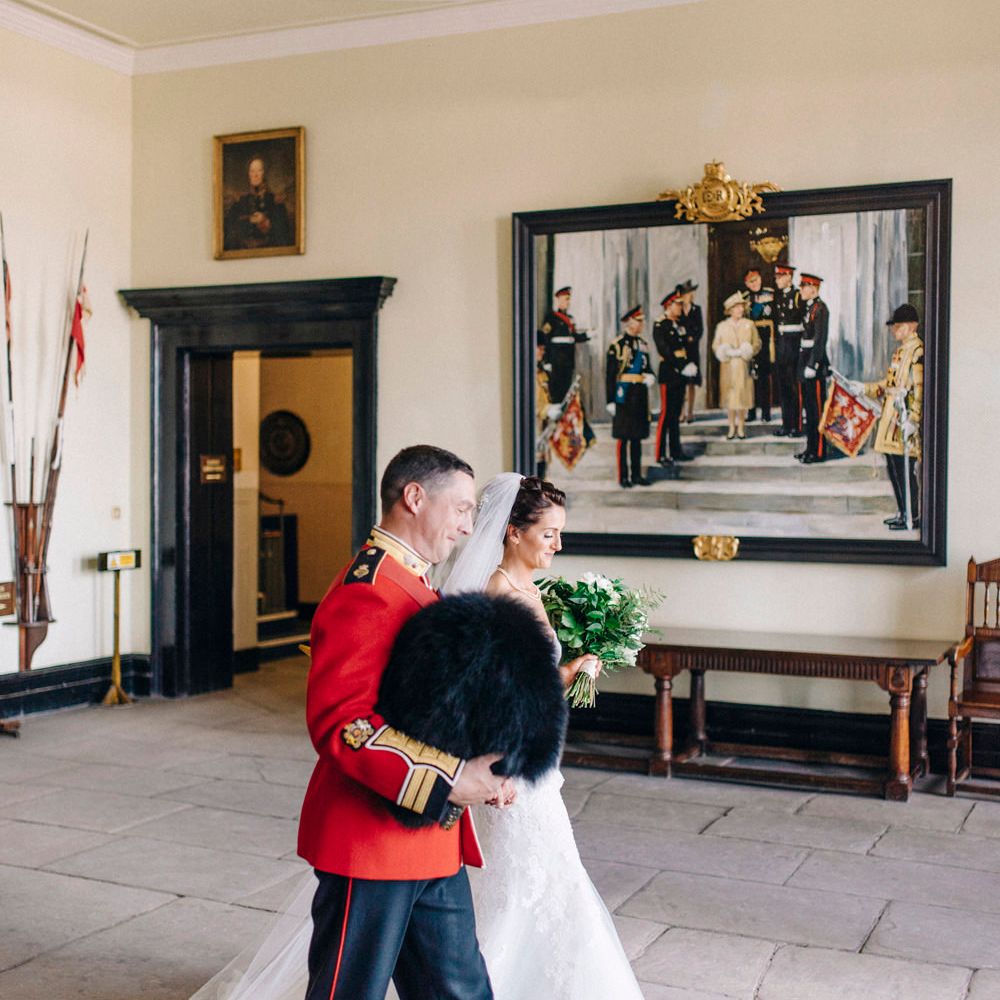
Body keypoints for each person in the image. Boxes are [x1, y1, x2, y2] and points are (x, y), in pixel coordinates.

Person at [444, 473, 645, 1000]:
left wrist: (571, 668)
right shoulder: (497, 593)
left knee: (540, 879)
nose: (558, 544)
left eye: (560, 533)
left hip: (535, 755)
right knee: (527, 884)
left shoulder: (527, 590)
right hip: (513, 761)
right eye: (549, 533)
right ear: (513, 532)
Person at [862, 303, 924, 529]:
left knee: (905, 470)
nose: (894, 331)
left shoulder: (917, 352)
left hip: (904, 419)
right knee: (894, 468)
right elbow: (889, 384)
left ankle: (912, 516)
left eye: (898, 326)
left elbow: (919, 389)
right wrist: (865, 388)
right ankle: (903, 511)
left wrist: (914, 419)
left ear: (910, 326)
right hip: (892, 419)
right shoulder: (901, 351)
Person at [606, 305, 656, 488]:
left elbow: (647, 367)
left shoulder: (643, 344)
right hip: (623, 394)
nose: (641, 325)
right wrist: (610, 400)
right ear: (629, 322)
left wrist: (650, 376)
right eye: (638, 321)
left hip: (639, 394)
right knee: (624, 437)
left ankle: (636, 475)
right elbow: (610, 375)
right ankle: (623, 477)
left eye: (642, 321)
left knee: (637, 437)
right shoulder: (617, 345)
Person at [652, 287, 697, 465]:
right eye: (677, 305)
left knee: (676, 413)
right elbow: (665, 350)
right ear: (668, 306)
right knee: (666, 414)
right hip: (669, 372)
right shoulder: (660, 325)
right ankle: (660, 454)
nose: (680, 307)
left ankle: (676, 450)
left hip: (681, 373)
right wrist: (681, 366)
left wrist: (688, 365)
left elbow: (687, 344)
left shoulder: (679, 324)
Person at [712, 291, 761, 440]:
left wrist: (749, 350)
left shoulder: (749, 324)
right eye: (737, 307)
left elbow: (757, 343)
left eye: (741, 307)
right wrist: (723, 351)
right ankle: (731, 427)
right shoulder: (722, 326)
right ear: (730, 310)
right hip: (728, 366)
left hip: (743, 365)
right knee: (730, 399)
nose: (740, 309)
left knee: (742, 398)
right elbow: (716, 344)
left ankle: (741, 427)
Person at [796, 273, 830, 464]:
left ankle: (818, 451)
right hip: (805, 361)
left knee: (816, 411)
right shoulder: (809, 307)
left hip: (814, 366)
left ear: (813, 289)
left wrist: (813, 364)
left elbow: (820, 340)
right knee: (809, 411)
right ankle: (810, 448)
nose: (801, 290)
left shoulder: (821, 309)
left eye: (804, 287)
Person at [224, 155, 293, 251]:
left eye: (259, 170)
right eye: (252, 171)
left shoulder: (276, 201)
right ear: (248, 174)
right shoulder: (240, 201)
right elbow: (230, 229)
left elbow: (283, 235)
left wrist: (266, 222)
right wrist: (249, 220)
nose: (255, 175)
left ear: (264, 173)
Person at [538, 286, 590, 404]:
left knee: (566, 390)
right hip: (556, 360)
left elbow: (574, 337)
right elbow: (546, 339)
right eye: (566, 299)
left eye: (568, 299)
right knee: (556, 391)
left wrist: (587, 335)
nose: (568, 302)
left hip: (568, 360)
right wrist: (547, 360)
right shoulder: (551, 318)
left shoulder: (570, 319)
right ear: (559, 300)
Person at [772, 263, 805, 437]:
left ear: (788, 277)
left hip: (794, 345)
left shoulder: (798, 296)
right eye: (776, 278)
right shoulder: (779, 297)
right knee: (783, 387)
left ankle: (796, 426)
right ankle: (786, 424)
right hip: (782, 345)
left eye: (780, 277)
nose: (777, 281)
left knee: (794, 388)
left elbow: (805, 323)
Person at [743, 268, 776, 422]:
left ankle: (765, 413)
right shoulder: (744, 298)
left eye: (756, 279)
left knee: (765, 377)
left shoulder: (770, 294)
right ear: (746, 283)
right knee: (751, 377)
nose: (754, 283)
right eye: (751, 281)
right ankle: (751, 411)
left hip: (766, 339)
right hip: (751, 338)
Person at [677, 278, 704, 422]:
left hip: (692, 349)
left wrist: (693, 337)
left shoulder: (696, 309)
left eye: (691, 293)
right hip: (681, 350)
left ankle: (690, 412)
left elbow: (700, 329)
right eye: (688, 293)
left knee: (692, 382)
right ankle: (681, 412)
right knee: (681, 382)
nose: (691, 296)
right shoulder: (678, 309)